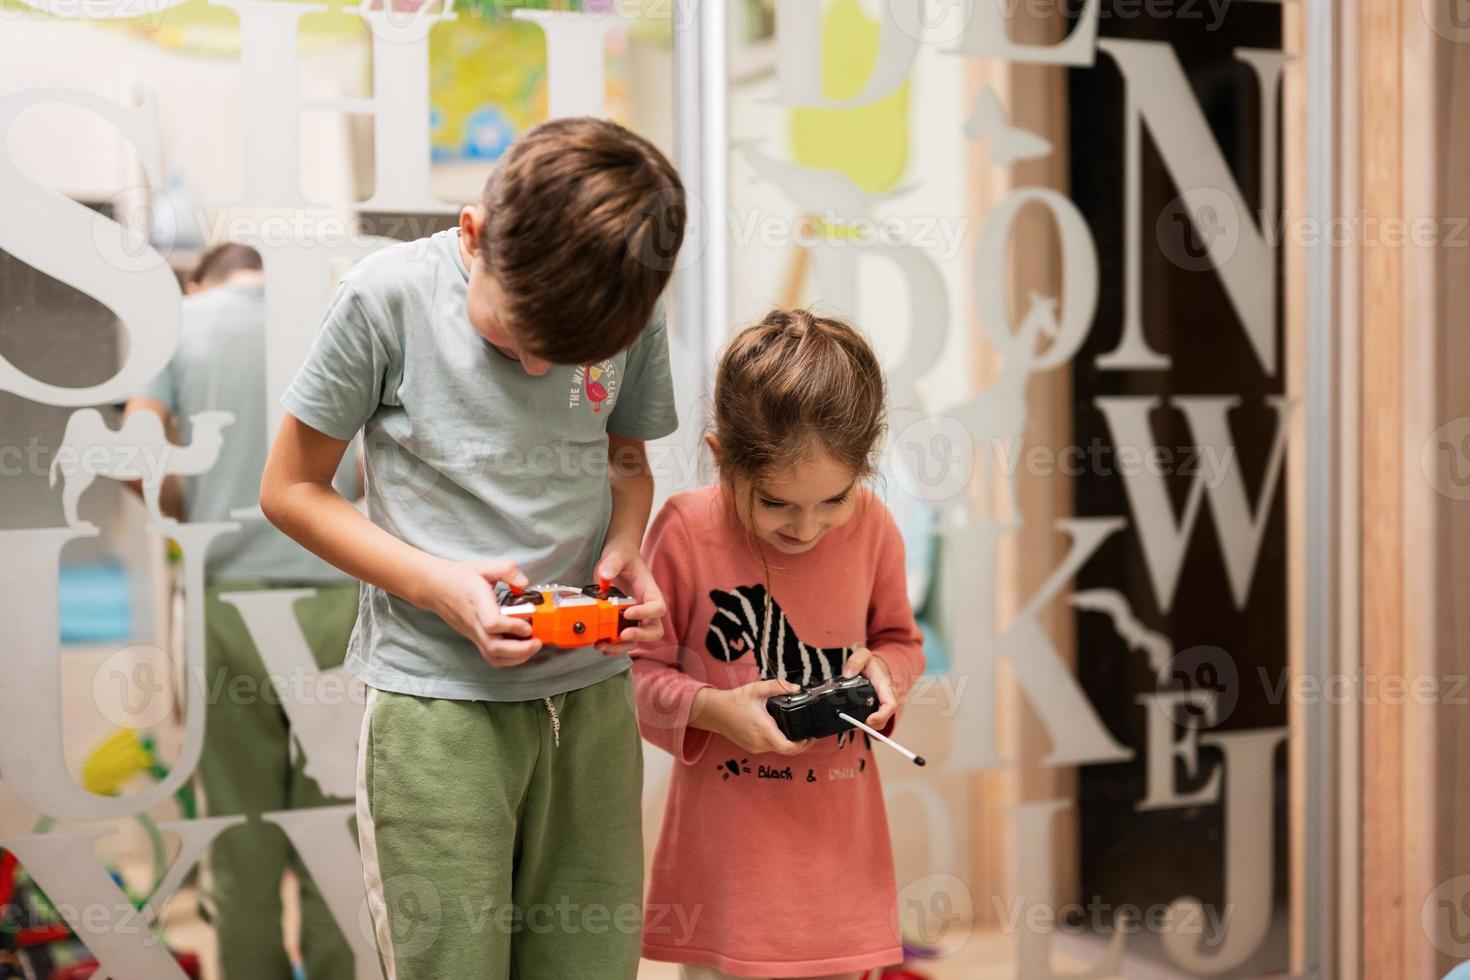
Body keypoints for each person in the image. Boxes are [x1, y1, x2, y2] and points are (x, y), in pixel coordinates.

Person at [259, 116, 686, 979]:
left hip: (595, 703)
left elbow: (628, 461)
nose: (538, 371)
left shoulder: (624, 303)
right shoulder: (386, 298)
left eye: (567, 357)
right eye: (514, 337)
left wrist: (629, 542)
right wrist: (434, 584)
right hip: (437, 711)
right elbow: (290, 489)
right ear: (473, 233)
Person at [631, 309, 927, 980]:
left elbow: (902, 642)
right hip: (729, 884)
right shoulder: (684, 532)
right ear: (719, 457)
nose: (807, 527)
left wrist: (887, 672)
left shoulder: (874, 528)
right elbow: (633, 675)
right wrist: (711, 708)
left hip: (839, 880)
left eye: (834, 499)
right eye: (775, 503)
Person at [124, 243, 360, 980]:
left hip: (229, 602)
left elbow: (134, 456)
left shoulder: (179, 325)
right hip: (340, 593)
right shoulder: (337, 319)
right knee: (338, 831)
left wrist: (193, 506)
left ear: (203, 280)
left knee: (239, 835)